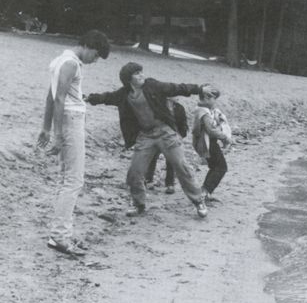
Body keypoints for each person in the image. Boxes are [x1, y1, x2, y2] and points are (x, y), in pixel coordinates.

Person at [87, 62, 208, 218]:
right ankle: (138, 204)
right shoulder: (124, 93)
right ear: (128, 79)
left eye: (141, 72)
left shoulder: (152, 85)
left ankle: (198, 201)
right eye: (137, 73)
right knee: (135, 172)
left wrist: (198, 89)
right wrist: (90, 98)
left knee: (181, 166)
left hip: (165, 132)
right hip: (146, 136)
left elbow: (175, 88)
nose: (141, 75)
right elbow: (107, 97)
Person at [37, 30, 110, 256]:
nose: (94, 60)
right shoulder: (70, 63)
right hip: (71, 119)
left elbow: (51, 96)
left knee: (66, 179)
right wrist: (57, 134)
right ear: (88, 45)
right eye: (96, 55)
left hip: (68, 119)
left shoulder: (61, 60)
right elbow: (58, 98)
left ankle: (59, 233)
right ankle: (60, 236)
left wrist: (46, 127)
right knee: (74, 180)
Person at [192, 85, 232, 203]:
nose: (215, 102)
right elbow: (211, 130)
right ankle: (205, 192)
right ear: (207, 98)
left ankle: (205, 191)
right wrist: (225, 137)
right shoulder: (203, 111)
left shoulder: (204, 110)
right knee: (221, 167)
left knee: (215, 167)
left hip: (208, 142)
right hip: (207, 143)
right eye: (214, 99)